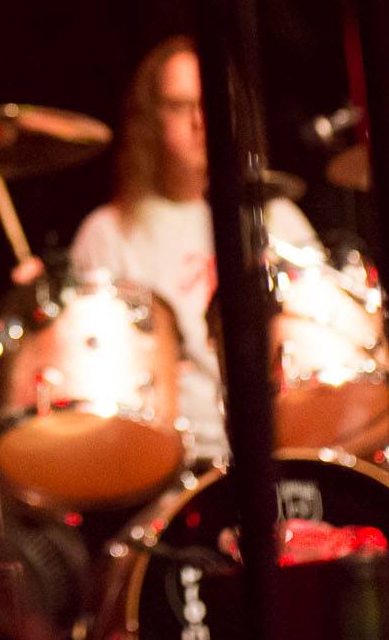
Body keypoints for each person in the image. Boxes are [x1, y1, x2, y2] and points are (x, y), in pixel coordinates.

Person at [68, 36, 318, 461]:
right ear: (151, 117)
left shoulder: (276, 216)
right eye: (180, 106)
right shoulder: (107, 234)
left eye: (212, 105)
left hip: (283, 452)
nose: (201, 121)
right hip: (166, 468)